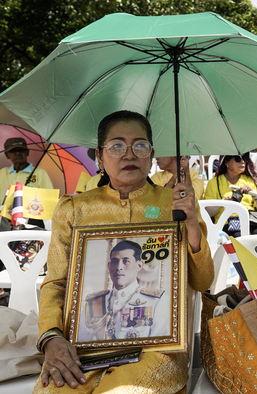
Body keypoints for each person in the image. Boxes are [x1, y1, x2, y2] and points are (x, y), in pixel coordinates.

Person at [34, 110, 213, 393]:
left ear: (151, 155)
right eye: (117, 146)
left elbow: (203, 282)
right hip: (82, 348)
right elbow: (56, 283)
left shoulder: (176, 205)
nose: (129, 154)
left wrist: (191, 225)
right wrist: (52, 339)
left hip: (157, 348)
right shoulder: (74, 209)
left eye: (139, 146)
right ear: (100, 158)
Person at [79, 240, 170, 342]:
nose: (119, 267)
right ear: (109, 266)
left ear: (139, 265)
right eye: (114, 261)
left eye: (126, 261)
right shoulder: (93, 302)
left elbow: (159, 347)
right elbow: (82, 342)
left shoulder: (157, 301)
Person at [204, 153, 257, 269]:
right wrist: (224, 203)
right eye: (238, 159)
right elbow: (207, 212)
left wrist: (254, 194)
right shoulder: (214, 183)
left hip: (251, 221)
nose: (242, 162)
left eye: (245, 159)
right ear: (226, 163)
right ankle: (247, 277)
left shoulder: (249, 180)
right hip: (227, 224)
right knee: (240, 240)